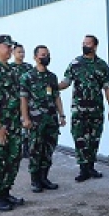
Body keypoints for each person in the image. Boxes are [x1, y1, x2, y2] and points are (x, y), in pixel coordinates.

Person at [58, 35, 109, 182]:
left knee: (94, 138)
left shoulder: (102, 65)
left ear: (95, 46)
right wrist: (53, 86)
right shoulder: (75, 63)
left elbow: (107, 88)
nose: (85, 45)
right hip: (79, 109)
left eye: (88, 43)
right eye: (83, 43)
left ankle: (91, 166)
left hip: (96, 109)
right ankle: (83, 168)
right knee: (79, 136)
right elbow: (66, 82)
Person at [0, 34, 26, 211]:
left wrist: (22, 118)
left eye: (10, 47)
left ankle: (6, 192)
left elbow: (19, 97)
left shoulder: (12, 71)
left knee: (13, 158)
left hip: (13, 124)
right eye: (6, 46)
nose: (10, 50)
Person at [20, 45, 67, 193]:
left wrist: (62, 115)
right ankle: (35, 181)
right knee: (35, 151)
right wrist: (25, 119)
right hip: (35, 121)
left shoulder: (52, 77)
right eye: (42, 55)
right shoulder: (27, 77)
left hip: (51, 121)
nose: (46, 57)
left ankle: (44, 178)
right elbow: (23, 100)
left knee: (48, 150)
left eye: (47, 54)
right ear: (35, 57)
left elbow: (57, 97)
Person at [11, 43, 34, 158]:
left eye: (23, 52)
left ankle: (26, 147)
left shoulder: (28, 67)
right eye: (19, 52)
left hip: (27, 101)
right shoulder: (10, 68)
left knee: (26, 124)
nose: (21, 54)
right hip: (14, 101)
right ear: (13, 53)